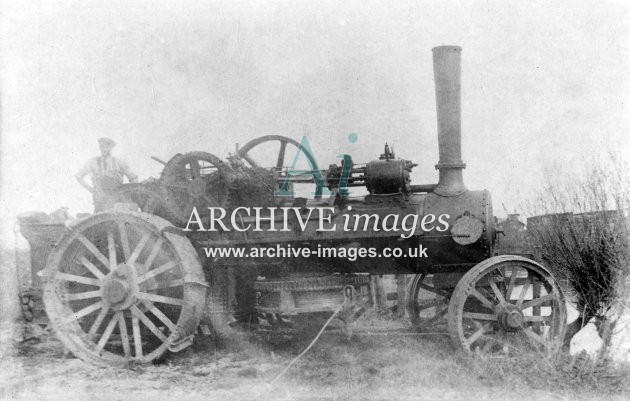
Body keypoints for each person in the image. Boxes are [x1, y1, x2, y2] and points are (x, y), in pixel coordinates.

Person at [75, 137, 138, 212]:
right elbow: (78, 176)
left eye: (107, 147)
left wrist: (130, 194)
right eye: (102, 146)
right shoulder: (92, 162)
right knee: (99, 219)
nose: (104, 149)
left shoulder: (119, 162)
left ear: (111, 148)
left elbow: (133, 178)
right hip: (99, 198)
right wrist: (91, 190)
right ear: (99, 147)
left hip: (117, 197)